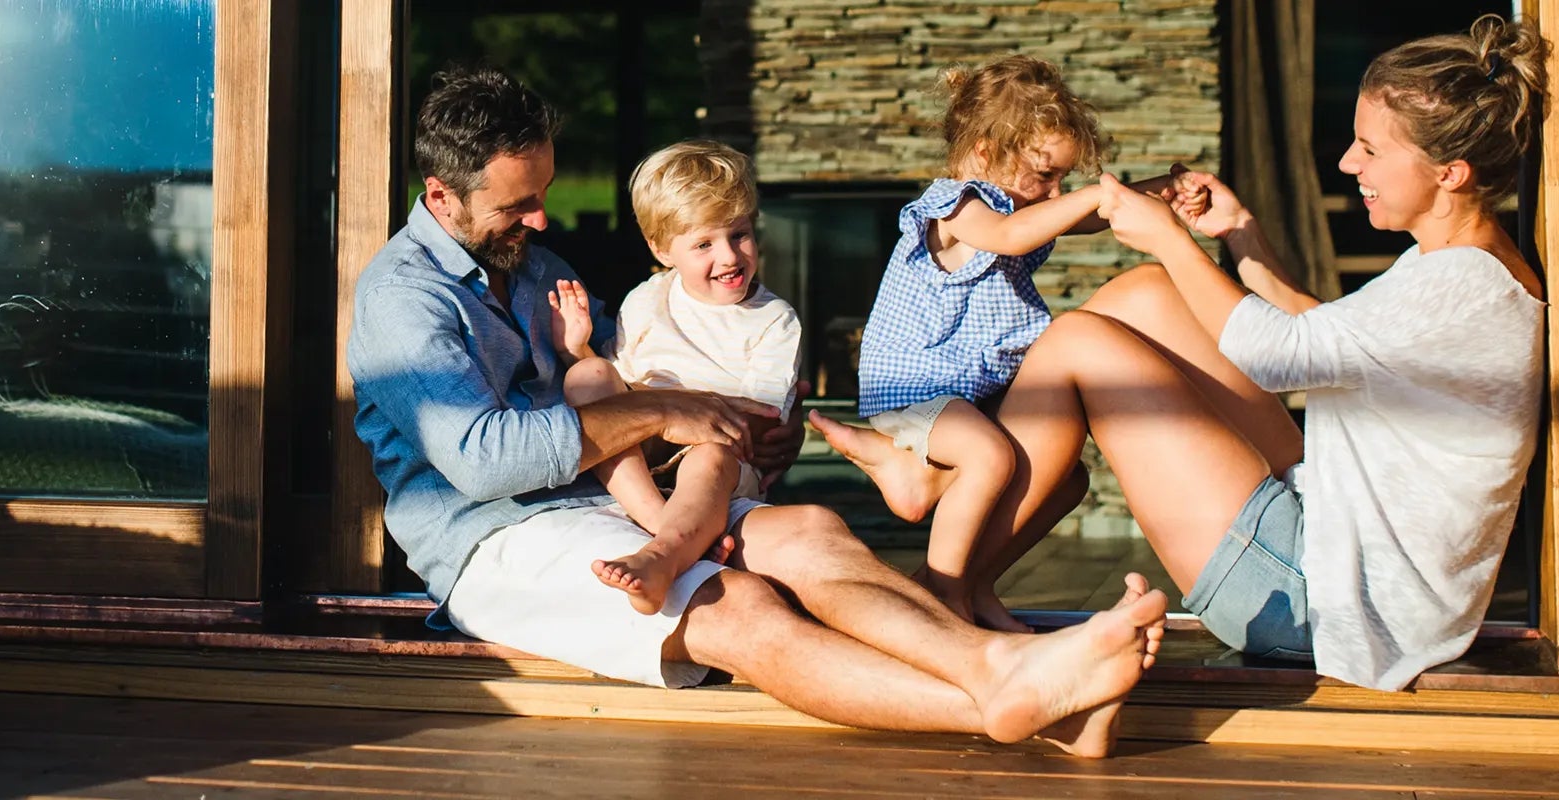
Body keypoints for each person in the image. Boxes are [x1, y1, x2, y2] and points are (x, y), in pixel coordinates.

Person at [348, 63, 1167, 756]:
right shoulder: (402, 299)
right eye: (517, 205)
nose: (542, 218)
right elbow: (488, 460)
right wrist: (674, 410)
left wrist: (742, 429)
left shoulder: (527, 261)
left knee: (812, 532)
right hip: (498, 536)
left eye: (544, 193)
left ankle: (1017, 674)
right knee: (736, 604)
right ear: (441, 196)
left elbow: (629, 363)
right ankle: (1011, 701)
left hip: (614, 500)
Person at [851, 17, 1547, 690]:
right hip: (1332, 534)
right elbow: (1323, 335)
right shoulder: (1456, 264)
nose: (1347, 162)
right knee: (1143, 295)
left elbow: (1284, 356)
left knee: (1077, 341)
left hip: (1324, 598)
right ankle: (963, 527)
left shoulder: (1457, 286)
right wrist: (1238, 232)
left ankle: (940, 568)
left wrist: (1172, 239)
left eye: (1370, 148)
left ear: (1450, 172)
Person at [807, 55, 1175, 633]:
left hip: (968, 391)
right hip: (917, 385)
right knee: (990, 456)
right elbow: (1008, 236)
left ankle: (976, 584)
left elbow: (1085, 219)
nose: (1055, 191)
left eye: (1062, 179)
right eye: (1045, 174)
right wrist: (1092, 196)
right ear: (985, 152)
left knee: (1066, 478)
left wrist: (1162, 192)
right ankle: (945, 596)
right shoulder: (955, 206)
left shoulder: (1021, 204)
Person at [547, 139, 802, 614]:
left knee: (709, 456)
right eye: (704, 243)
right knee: (587, 375)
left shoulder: (774, 319)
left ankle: (661, 557)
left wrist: (668, 409)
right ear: (662, 249)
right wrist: (576, 346)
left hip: (718, 455)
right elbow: (616, 387)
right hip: (643, 450)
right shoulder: (647, 299)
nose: (728, 257)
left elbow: (756, 419)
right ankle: (660, 521)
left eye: (739, 235)